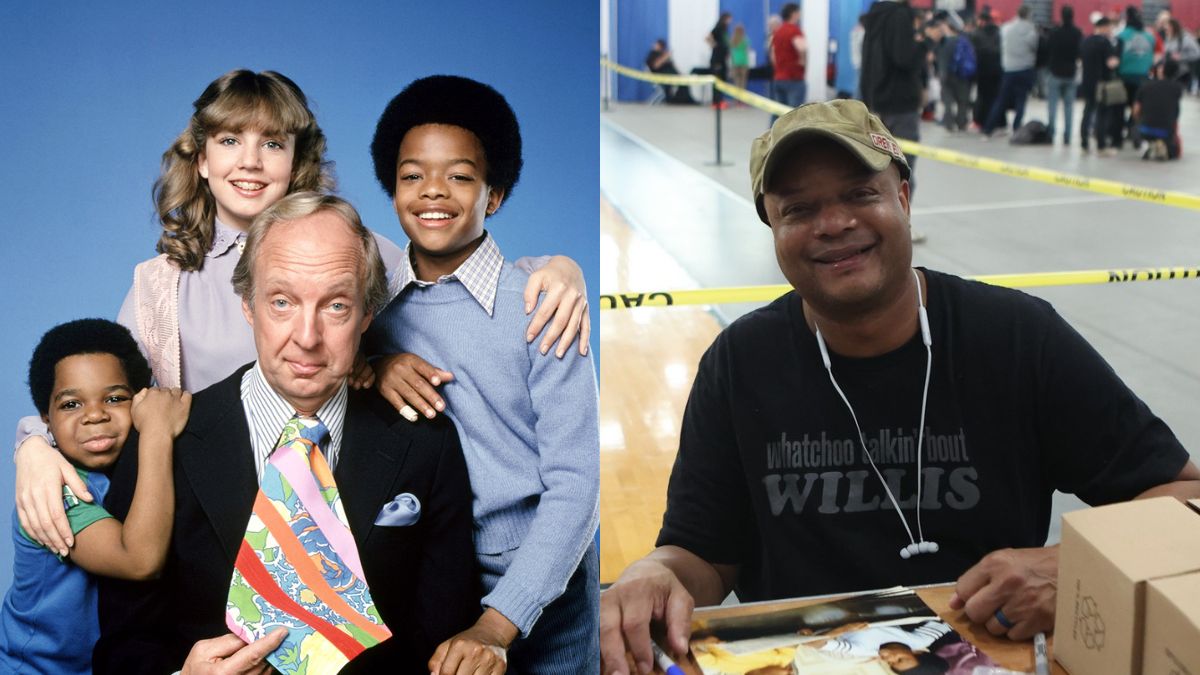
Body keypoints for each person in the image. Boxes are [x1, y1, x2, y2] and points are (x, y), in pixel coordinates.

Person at [597, 99, 1200, 675]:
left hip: (989, 652)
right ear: (772, 227)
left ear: (904, 198)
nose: (833, 224)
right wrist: (653, 574)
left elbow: (1181, 498)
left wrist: (1074, 569)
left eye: (860, 194)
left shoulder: (1017, 337)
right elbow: (702, 554)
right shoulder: (739, 363)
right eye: (799, 210)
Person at [12, 68, 589, 561]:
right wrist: (32, 445)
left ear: (296, 160)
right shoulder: (159, 284)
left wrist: (558, 267)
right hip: (213, 527)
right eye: (231, 140)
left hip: (342, 516)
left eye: (272, 143)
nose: (251, 161)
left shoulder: (352, 246)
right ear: (202, 158)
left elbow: (446, 275)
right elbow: (103, 397)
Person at [93, 192, 481, 673]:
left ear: (367, 315)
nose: (307, 337)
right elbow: (121, 649)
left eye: (336, 306)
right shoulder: (164, 441)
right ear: (248, 305)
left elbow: (444, 637)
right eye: (282, 301)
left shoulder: (426, 442)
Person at [366, 75, 600, 674]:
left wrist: (499, 622)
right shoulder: (373, 315)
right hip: (430, 576)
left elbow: (576, 484)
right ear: (392, 190)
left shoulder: (542, 300)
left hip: (543, 582)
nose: (432, 192)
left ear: (494, 194)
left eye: (460, 176)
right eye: (411, 175)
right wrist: (370, 366)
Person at [0, 320, 190, 673]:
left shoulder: (122, 475)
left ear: (140, 400)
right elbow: (140, 561)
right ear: (46, 419)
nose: (95, 415)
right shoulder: (55, 488)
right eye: (71, 404)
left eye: (115, 398)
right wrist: (157, 430)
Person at [983, 5, 1039, 137]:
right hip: (1025, 69)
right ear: (1029, 15)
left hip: (1008, 69)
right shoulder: (1032, 30)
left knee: (1001, 100)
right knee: (1021, 101)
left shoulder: (1006, 28)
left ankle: (988, 128)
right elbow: (1034, 47)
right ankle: (1016, 128)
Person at [1115, 7, 1156, 147]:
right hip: (1143, 77)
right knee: (1137, 109)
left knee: (1119, 108)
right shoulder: (1150, 37)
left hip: (1124, 77)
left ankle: (1117, 137)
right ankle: (1134, 135)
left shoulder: (1122, 36)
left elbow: (1117, 58)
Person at [1080, 16, 1122, 153]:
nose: (1111, 30)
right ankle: (1101, 146)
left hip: (1087, 82)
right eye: (1109, 27)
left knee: (1087, 111)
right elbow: (1111, 63)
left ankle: (1084, 143)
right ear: (1104, 27)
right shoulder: (1105, 42)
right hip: (1102, 84)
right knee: (1102, 114)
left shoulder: (1085, 41)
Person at [1045, 5, 1083, 144]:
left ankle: (1051, 133)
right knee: (1069, 107)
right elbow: (1080, 52)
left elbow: (1048, 49)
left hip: (1055, 72)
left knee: (1052, 105)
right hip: (1070, 73)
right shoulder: (1077, 33)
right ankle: (1067, 136)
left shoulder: (1055, 32)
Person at [1134, 58, 1185, 160]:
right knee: (1175, 153)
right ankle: (1161, 145)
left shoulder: (1145, 86)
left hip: (1145, 129)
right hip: (1166, 130)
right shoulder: (1177, 88)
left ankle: (1149, 144)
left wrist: (1138, 121)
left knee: (1139, 127)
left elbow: (1136, 110)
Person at [934, 17, 972, 132]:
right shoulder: (964, 40)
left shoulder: (944, 42)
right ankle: (962, 123)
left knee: (948, 101)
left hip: (946, 75)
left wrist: (939, 73)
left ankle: (949, 123)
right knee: (962, 101)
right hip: (962, 76)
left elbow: (939, 59)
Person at [970, 9, 1004, 130]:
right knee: (996, 96)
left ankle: (980, 121)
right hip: (997, 70)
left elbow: (973, 52)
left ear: (982, 21)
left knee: (982, 97)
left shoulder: (976, 34)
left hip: (982, 71)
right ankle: (998, 122)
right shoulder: (999, 33)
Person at [771, 4, 808, 110]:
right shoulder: (795, 31)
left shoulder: (777, 32)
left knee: (778, 113)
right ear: (793, 14)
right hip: (794, 78)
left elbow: (773, 56)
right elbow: (802, 48)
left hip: (779, 77)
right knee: (794, 115)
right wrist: (802, 61)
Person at [645, 39, 697, 104]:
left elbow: (673, 66)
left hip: (673, 75)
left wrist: (680, 74)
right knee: (668, 86)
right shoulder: (652, 54)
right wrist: (665, 57)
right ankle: (671, 100)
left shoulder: (663, 54)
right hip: (661, 76)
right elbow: (655, 66)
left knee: (684, 83)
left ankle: (684, 100)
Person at [708, 12, 733, 108]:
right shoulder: (718, 28)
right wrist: (714, 45)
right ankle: (716, 101)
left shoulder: (725, 30)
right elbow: (708, 37)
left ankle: (720, 100)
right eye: (729, 19)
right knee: (717, 80)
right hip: (717, 60)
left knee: (722, 79)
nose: (730, 21)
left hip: (723, 59)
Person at [731, 24, 751, 93]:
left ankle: (736, 98)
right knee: (743, 81)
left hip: (735, 61)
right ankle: (742, 98)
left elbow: (731, 50)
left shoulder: (733, 39)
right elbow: (747, 50)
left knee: (736, 81)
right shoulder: (745, 39)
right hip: (744, 61)